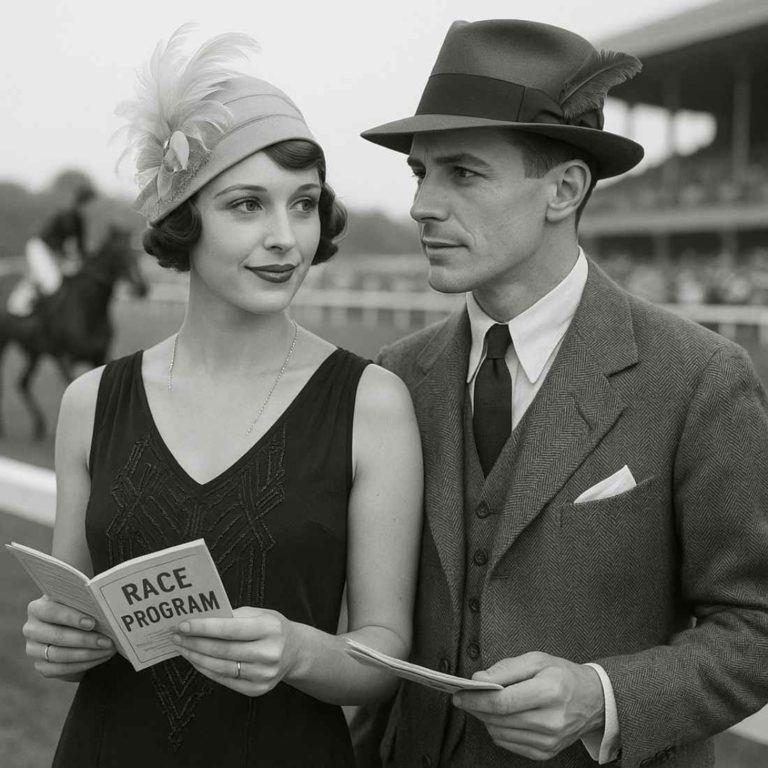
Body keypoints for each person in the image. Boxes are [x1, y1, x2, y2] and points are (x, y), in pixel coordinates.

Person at [352, 19, 768, 768]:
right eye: (421, 173)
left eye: (464, 173)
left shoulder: (700, 377)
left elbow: (756, 627)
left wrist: (601, 695)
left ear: (565, 189)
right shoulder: (396, 376)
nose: (423, 205)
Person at [21, 27, 422, 768]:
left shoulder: (373, 405)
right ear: (183, 218)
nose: (286, 238)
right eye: (247, 205)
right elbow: (73, 608)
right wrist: (59, 640)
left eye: (303, 204)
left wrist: (301, 652)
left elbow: (383, 655)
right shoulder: (89, 403)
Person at [7, 183, 95, 316]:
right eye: (90, 204)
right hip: (40, 249)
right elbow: (69, 245)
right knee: (51, 282)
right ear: (84, 202)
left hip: (53, 252)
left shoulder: (79, 219)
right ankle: (19, 302)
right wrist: (70, 257)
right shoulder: (68, 215)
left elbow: (81, 249)